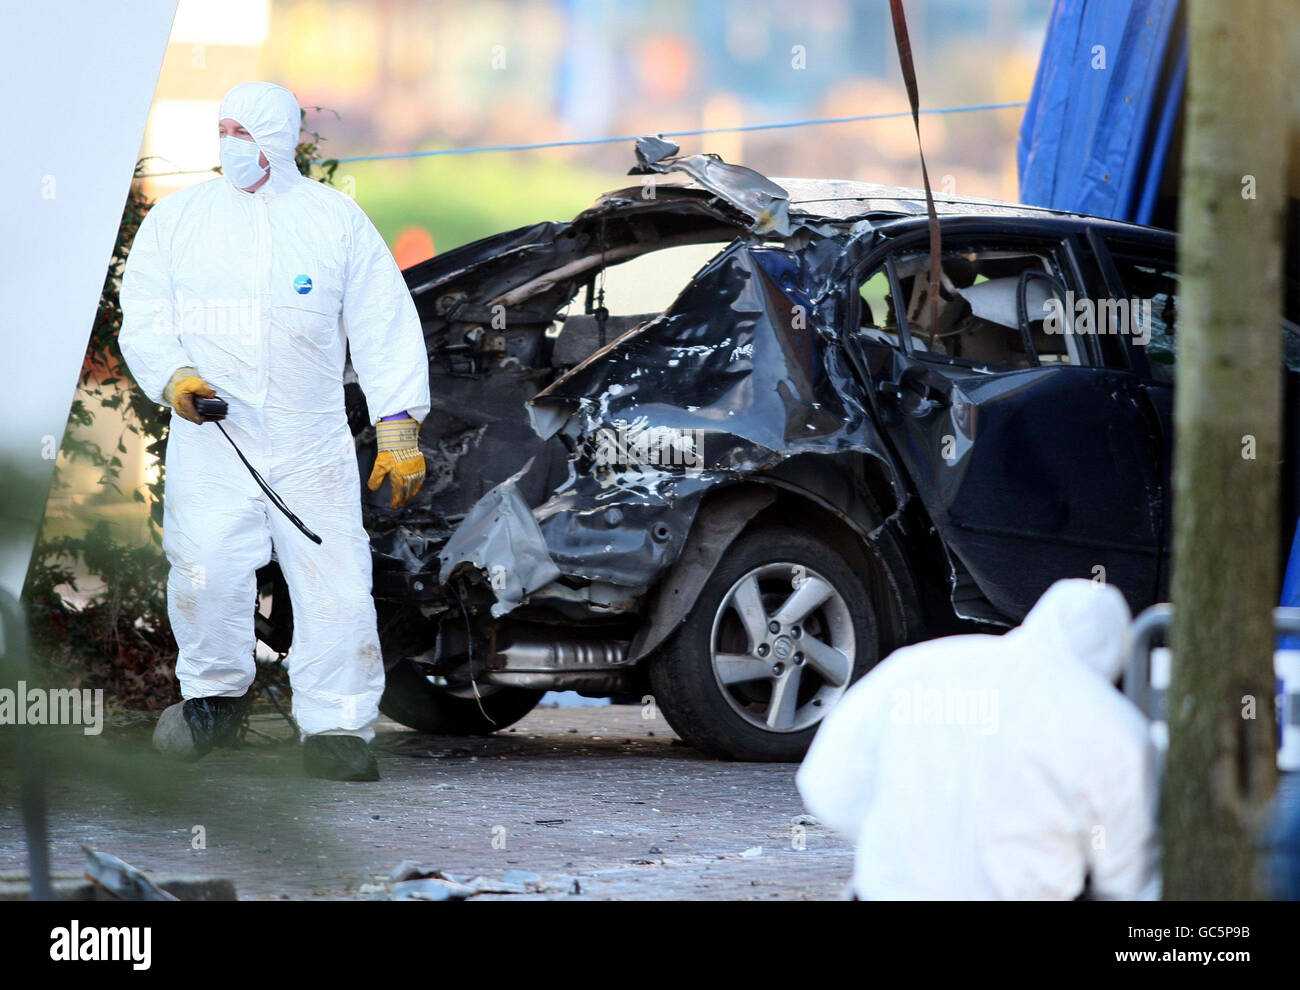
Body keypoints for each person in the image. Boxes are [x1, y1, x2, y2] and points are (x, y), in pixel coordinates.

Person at [119, 82, 430, 781]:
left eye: (244, 131)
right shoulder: (178, 221)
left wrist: (400, 426)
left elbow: (384, 328)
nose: (230, 143)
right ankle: (213, 699)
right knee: (206, 572)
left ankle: (337, 729)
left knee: (336, 584)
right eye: (223, 128)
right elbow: (144, 318)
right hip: (214, 437)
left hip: (309, 441)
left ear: (280, 138)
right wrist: (175, 380)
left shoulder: (335, 221)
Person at [796, 579, 1161, 899]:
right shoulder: (1113, 723)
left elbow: (826, 784)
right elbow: (1127, 867)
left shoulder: (918, 667)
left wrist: (897, 839)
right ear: (1117, 653)